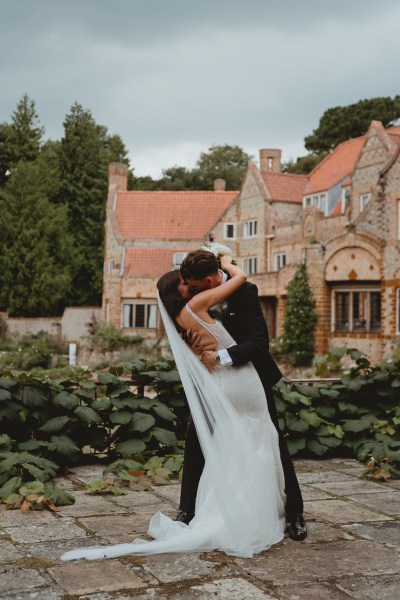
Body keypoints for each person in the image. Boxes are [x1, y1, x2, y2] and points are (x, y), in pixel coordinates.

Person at [60, 255, 286, 561]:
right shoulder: (197, 305)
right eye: (183, 283)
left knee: (236, 442)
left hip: (223, 381)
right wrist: (228, 261)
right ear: (176, 291)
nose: (188, 284)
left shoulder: (182, 321)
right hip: (240, 380)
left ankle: (233, 510)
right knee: (256, 435)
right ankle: (251, 514)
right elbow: (241, 277)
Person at [177, 249, 306, 541]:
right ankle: (187, 511)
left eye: (197, 288)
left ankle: (294, 512)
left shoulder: (245, 291)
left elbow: (259, 343)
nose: (192, 292)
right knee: (196, 436)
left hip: (251, 379)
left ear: (210, 281)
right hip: (215, 381)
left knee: (272, 441)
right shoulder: (196, 292)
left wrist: (219, 358)